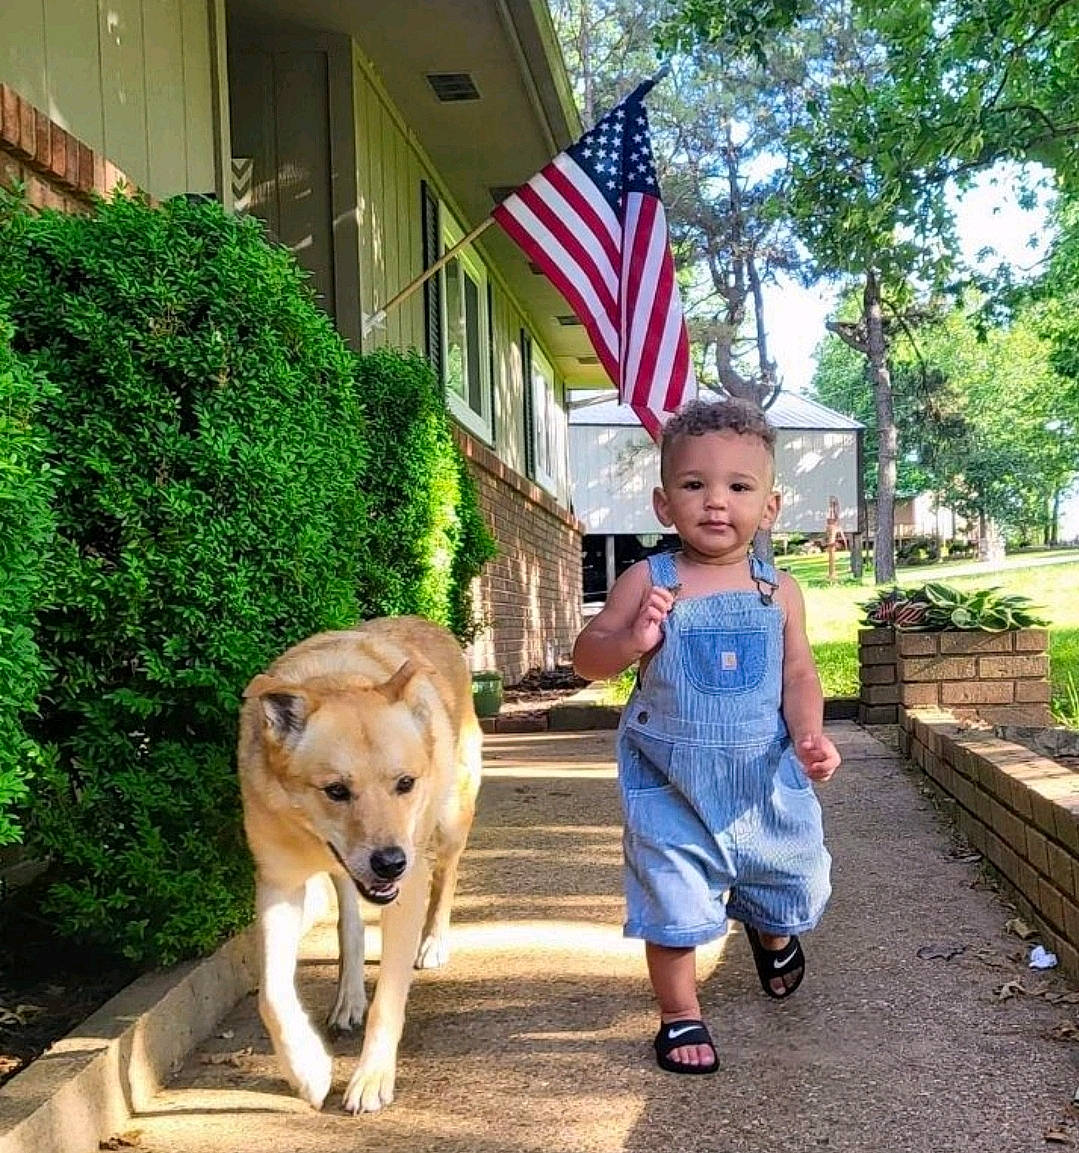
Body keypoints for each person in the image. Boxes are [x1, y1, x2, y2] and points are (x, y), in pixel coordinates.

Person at [572, 396, 839, 1076]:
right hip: (669, 779)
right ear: (664, 504)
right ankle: (678, 1013)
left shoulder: (777, 590)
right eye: (694, 485)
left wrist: (809, 735)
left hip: (761, 775)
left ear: (769, 506)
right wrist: (633, 639)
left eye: (737, 487)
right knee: (672, 897)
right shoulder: (647, 580)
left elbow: (798, 672)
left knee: (789, 878)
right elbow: (587, 655)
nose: (715, 502)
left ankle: (771, 931)